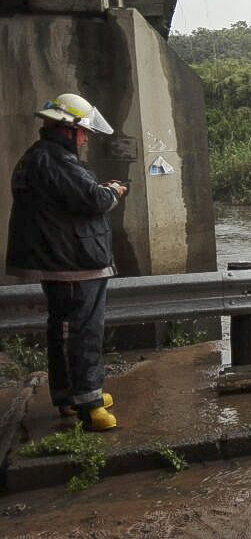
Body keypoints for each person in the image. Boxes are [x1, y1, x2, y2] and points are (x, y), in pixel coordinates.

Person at [6, 93, 126, 431]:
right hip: (73, 263)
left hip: (66, 261)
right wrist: (114, 191)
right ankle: (89, 405)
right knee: (83, 331)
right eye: (83, 131)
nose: (86, 138)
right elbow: (93, 199)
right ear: (67, 129)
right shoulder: (54, 159)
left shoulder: (43, 157)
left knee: (64, 329)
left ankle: (70, 397)